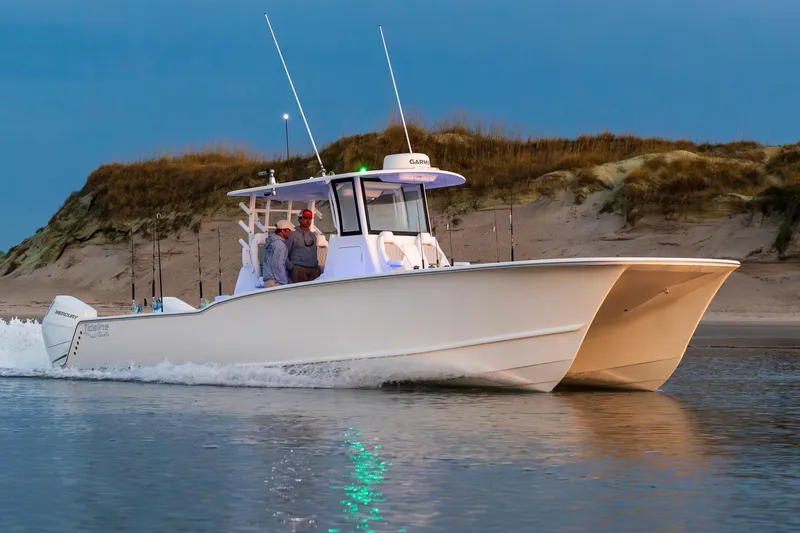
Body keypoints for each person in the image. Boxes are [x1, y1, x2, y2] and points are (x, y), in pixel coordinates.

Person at [287, 208, 321, 282]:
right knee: (299, 293)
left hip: (313, 269)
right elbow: (286, 252)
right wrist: (292, 268)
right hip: (299, 269)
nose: (308, 221)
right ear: (299, 219)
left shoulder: (313, 235)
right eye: (305, 218)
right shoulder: (292, 234)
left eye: (310, 218)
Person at [263, 220, 294, 287]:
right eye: (289, 230)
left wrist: (292, 267)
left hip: (268, 280)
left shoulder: (271, 242)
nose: (290, 233)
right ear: (283, 230)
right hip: (276, 282)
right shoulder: (279, 244)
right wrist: (284, 282)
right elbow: (278, 264)